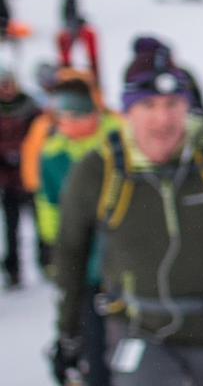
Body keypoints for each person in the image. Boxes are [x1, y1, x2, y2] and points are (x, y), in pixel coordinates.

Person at [50, 37, 203, 386]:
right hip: (141, 332)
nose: (162, 119)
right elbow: (71, 252)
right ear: (127, 110)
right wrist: (68, 333)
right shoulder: (99, 169)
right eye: (148, 104)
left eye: (172, 103)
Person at [24, 70, 119, 386]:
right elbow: (49, 207)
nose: (69, 123)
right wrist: (54, 247)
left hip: (131, 260)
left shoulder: (121, 137)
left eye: (76, 115)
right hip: (87, 267)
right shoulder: (52, 155)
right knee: (94, 347)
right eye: (62, 117)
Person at [0, 68, 41, 289]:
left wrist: (24, 152)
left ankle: (46, 262)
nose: (7, 88)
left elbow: (40, 135)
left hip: (30, 176)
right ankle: (13, 270)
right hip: (7, 179)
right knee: (11, 228)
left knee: (41, 223)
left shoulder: (29, 107)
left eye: (9, 83)